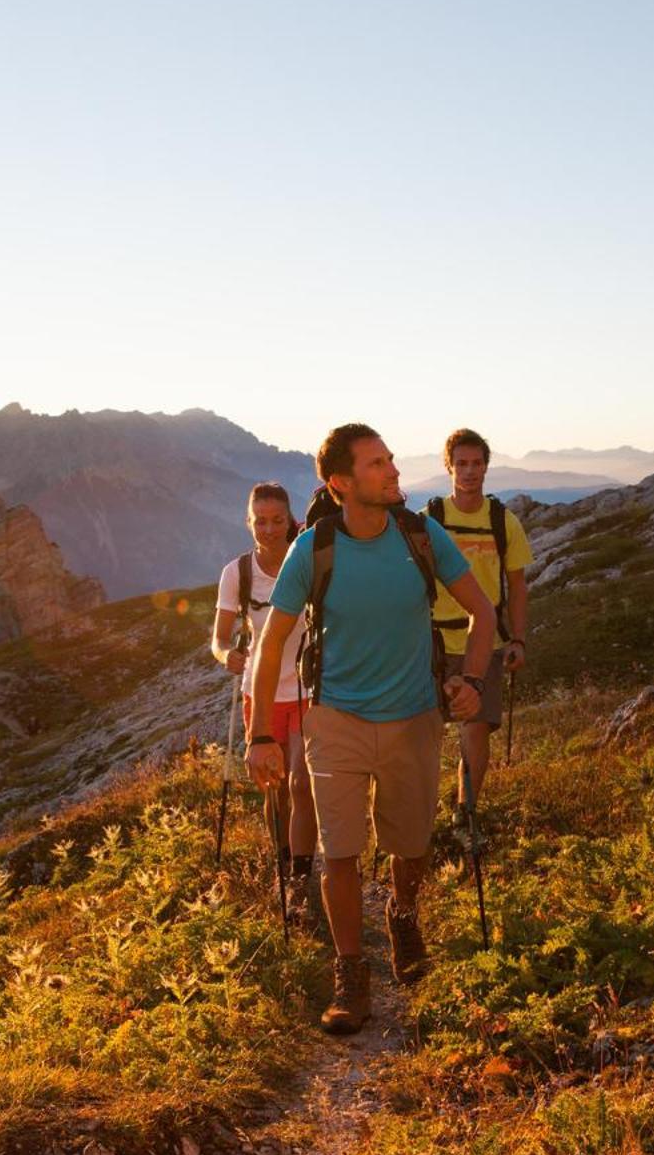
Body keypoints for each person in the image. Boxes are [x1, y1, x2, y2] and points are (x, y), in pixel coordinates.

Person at [246, 424, 496, 1034]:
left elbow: (482, 612)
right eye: (378, 464)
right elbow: (272, 643)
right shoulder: (315, 548)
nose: (393, 471)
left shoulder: (420, 535)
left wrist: (473, 683)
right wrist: (260, 735)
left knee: (411, 847)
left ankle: (404, 917)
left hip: (413, 717)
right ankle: (350, 971)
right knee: (341, 851)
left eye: (389, 459)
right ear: (341, 484)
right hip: (335, 719)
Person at [210, 482, 319, 930]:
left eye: (277, 520)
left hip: (310, 689)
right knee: (274, 789)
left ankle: (299, 876)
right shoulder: (237, 573)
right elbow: (218, 638)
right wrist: (226, 655)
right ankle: (283, 857)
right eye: (260, 521)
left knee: (302, 783)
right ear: (248, 522)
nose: (269, 529)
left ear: (291, 520)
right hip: (262, 690)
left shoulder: (308, 563)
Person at [425, 429, 531, 827]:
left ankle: (464, 814)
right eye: (462, 464)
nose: (470, 472)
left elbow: (517, 587)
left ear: (487, 466)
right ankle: (422, 814)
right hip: (432, 643)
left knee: (474, 732)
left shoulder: (504, 522)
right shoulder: (430, 522)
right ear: (449, 466)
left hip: (485, 644)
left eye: (477, 463)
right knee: (425, 736)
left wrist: (517, 639)